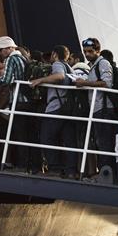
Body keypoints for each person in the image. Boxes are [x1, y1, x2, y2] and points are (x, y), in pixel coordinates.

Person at [30, 45, 78, 178]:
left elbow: (59, 76)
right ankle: (70, 171)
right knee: (68, 141)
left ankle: (55, 169)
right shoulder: (70, 68)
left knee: (47, 137)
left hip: (56, 108)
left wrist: (40, 80)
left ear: (55, 54)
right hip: (67, 108)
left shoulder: (57, 64)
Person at [74, 38, 117, 177]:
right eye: (85, 51)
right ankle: (105, 173)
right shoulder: (93, 65)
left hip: (104, 108)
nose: (87, 54)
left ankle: (107, 175)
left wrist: (85, 83)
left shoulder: (103, 63)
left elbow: (106, 83)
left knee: (105, 143)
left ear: (98, 51)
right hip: (97, 108)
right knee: (101, 142)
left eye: (90, 51)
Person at [0, 35, 36, 171]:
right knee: (30, 134)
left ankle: (22, 166)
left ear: (7, 49)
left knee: (20, 135)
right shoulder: (23, 57)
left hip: (18, 101)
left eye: (0, 50)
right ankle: (32, 165)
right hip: (29, 100)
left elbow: (6, 80)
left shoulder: (11, 58)